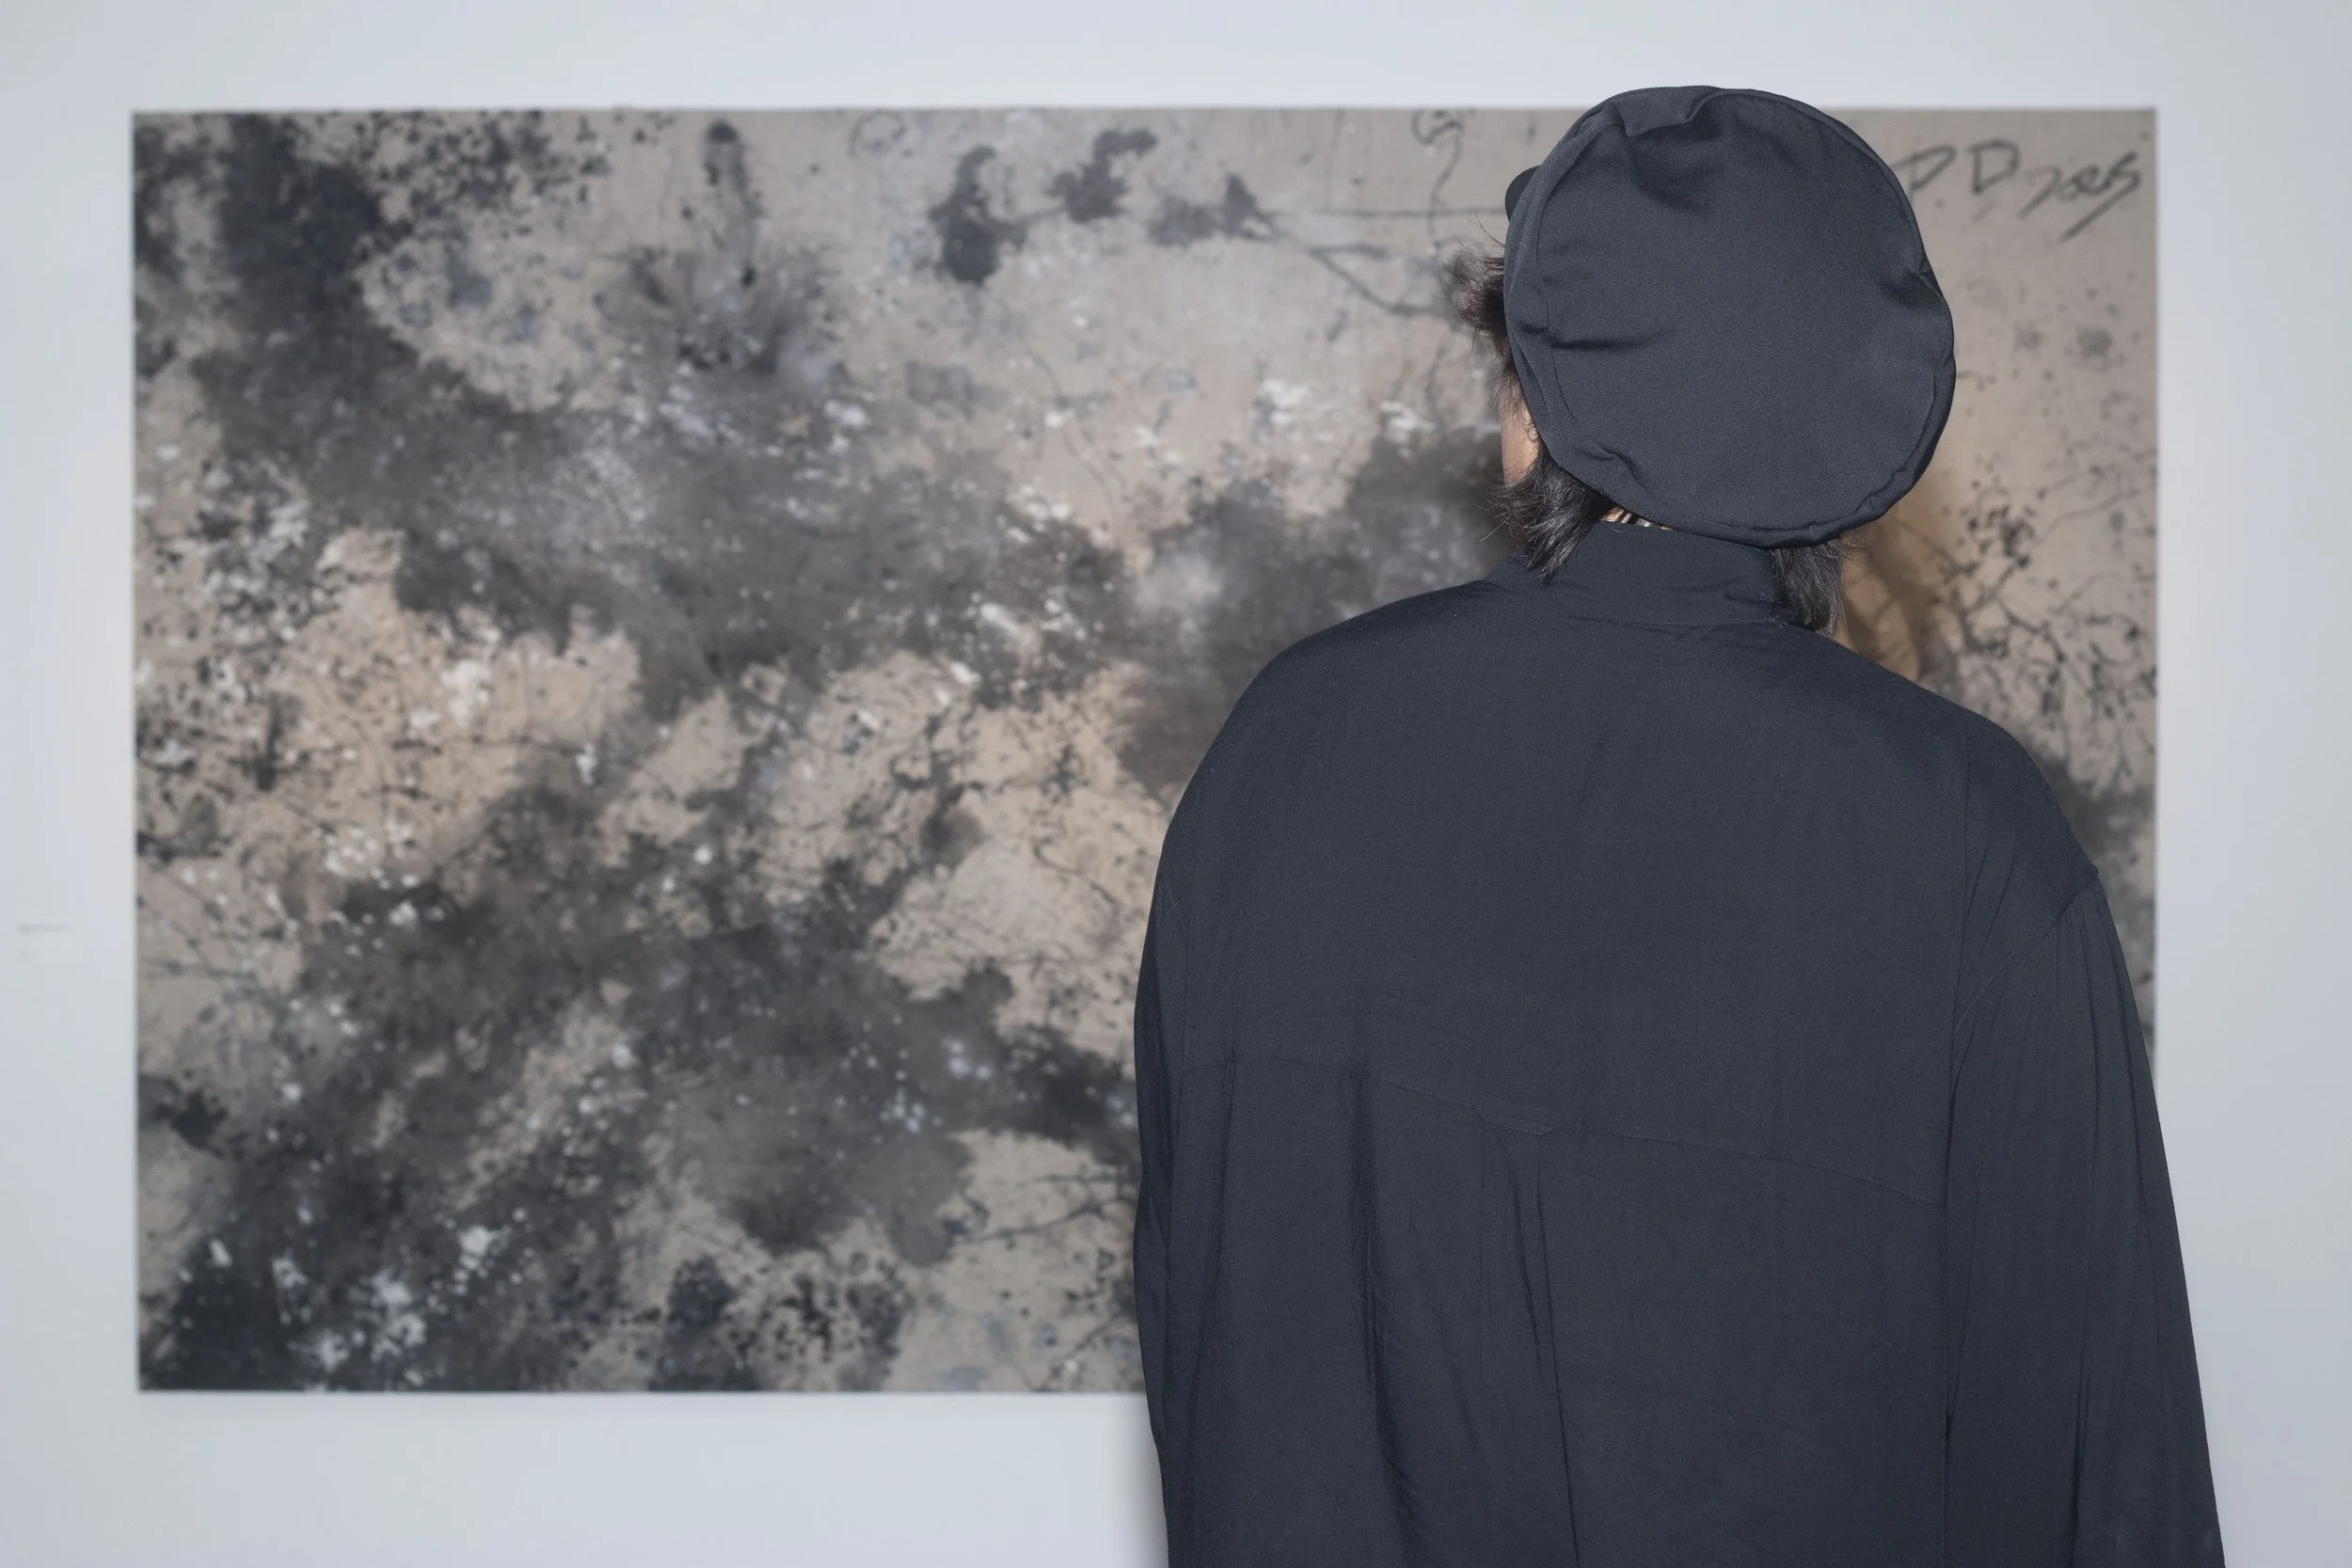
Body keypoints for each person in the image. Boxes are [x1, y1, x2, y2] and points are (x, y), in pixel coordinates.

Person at [1129, 87, 2222, 1567]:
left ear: (1532, 405)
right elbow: (2098, 1459)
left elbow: (1203, 1335)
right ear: (1855, 416)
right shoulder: (1962, 835)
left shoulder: (1288, 749)